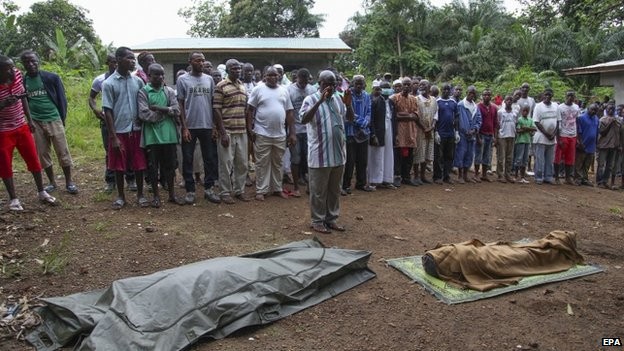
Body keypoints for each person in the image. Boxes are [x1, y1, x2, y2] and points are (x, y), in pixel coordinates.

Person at [300, 70, 354, 234]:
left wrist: (349, 105)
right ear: (319, 83)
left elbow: (350, 118)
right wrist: (319, 102)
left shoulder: (339, 98)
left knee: (334, 190)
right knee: (318, 191)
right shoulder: (310, 99)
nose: (329, 87)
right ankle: (317, 221)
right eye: (326, 84)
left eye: (332, 84)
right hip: (320, 155)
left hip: (338, 154)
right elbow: (303, 119)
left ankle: (331, 219)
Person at [0, 55, 56, 211]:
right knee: (5, 165)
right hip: (3, 131)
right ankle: (13, 199)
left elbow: (23, 97)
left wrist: (29, 120)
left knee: (33, 158)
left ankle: (41, 191)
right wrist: (3, 104)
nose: (13, 70)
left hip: (21, 125)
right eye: (8, 69)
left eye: (13, 67)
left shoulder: (17, 75)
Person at [20, 50, 78, 194]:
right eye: (27, 61)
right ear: (23, 64)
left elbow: (62, 99)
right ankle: (52, 182)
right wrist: (29, 120)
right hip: (36, 121)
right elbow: (24, 102)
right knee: (43, 153)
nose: (31, 64)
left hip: (53, 118)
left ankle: (69, 181)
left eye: (33, 61)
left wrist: (62, 118)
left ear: (38, 61)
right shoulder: (23, 81)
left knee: (62, 151)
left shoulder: (51, 77)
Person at [102, 46, 147, 209]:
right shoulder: (108, 83)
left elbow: (144, 105)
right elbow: (107, 110)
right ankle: (121, 196)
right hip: (119, 131)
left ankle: (141, 195)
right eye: (129, 58)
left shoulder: (138, 81)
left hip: (136, 130)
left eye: (133, 58)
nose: (132, 61)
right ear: (119, 59)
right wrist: (113, 136)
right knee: (119, 166)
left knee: (139, 164)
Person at [176, 51, 221, 204]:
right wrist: (184, 127)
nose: (201, 63)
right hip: (190, 126)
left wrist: (214, 125)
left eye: (203, 61)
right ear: (190, 62)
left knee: (209, 159)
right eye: (197, 60)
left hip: (207, 125)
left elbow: (213, 103)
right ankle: (190, 190)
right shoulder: (183, 80)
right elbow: (180, 104)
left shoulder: (209, 80)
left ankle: (209, 189)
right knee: (188, 158)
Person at [246, 66, 296, 201]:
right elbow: (250, 110)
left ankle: (277, 188)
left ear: (279, 76)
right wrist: (249, 129)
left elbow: (290, 112)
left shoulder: (284, 91)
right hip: (262, 132)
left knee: (278, 162)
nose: (273, 77)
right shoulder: (258, 89)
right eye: (270, 75)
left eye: (275, 75)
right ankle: (261, 190)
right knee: (262, 162)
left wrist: (292, 132)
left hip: (280, 133)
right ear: (264, 76)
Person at [89, 54, 136, 193]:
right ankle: (110, 180)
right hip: (108, 122)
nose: (115, 65)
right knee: (110, 151)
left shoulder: (132, 79)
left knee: (129, 151)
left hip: (126, 121)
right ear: (108, 63)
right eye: (112, 62)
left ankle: (130, 178)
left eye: (116, 62)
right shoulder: (101, 80)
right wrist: (96, 110)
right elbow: (91, 98)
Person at [137, 63, 182, 207]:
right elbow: (144, 114)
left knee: (170, 167)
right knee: (152, 167)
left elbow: (177, 110)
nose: (160, 77)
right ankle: (156, 196)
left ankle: (171, 195)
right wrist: (165, 114)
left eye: (162, 74)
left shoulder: (169, 91)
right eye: (157, 74)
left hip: (169, 135)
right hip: (152, 137)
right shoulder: (143, 92)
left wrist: (158, 108)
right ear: (149, 76)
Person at [212, 59, 250, 204]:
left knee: (242, 163)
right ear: (227, 70)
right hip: (227, 131)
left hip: (241, 131)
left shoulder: (242, 86)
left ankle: (239, 190)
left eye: (238, 68)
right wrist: (222, 132)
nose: (237, 70)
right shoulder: (221, 86)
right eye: (233, 68)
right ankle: (225, 192)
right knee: (226, 163)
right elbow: (216, 109)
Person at [287, 68, 317, 197]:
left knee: (309, 158)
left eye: (306, 81)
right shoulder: (289, 90)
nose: (304, 84)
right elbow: (289, 112)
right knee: (296, 158)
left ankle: (310, 186)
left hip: (309, 130)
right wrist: (291, 132)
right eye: (301, 81)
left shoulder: (312, 90)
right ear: (297, 78)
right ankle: (295, 187)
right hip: (295, 129)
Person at [343, 74, 372, 193]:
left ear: (364, 85)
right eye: (357, 83)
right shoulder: (347, 95)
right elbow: (348, 114)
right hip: (351, 133)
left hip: (364, 133)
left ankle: (361, 183)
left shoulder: (366, 95)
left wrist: (365, 123)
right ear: (352, 84)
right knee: (350, 161)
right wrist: (362, 123)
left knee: (362, 160)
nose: (359, 86)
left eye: (361, 83)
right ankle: (346, 185)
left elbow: (369, 111)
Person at [392, 77, 420, 186]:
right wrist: (409, 115)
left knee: (409, 156)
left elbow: (416, 116)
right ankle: (397, 176)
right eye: (405, 84)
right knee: (398, 155)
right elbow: (395, 116)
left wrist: (403, 115)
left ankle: (406, 177)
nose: (407, 86)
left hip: (410, 131)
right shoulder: (395, 98)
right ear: (401, 85)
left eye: (409, 84)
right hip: (399, 131)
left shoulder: (414, 99)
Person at [454, 86, 481, 184]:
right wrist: (461, 130)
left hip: (472, 135)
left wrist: (475, 129)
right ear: (466, 93)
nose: (471, 95)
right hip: (462, 134)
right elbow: (457, 119)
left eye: (473, 93)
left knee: (469, 155)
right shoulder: (460, 105)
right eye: (470, 93)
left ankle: (466, 175)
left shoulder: (475, 107)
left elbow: (479, 119)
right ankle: (460, 175)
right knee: (461, 153)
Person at [532, 88, 560, 185]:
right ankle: (539, 177)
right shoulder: (538, 106)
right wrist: (546, 133)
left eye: (549, 95)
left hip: (552, 138)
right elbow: (536, 121)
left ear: (552, 96)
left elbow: (558, 121)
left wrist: (553, 134)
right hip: (541, 137)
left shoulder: (556, 106)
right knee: (540, 159)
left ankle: (548, 177)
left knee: (550, 159)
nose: (548, 96)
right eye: (546, 95)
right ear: (543, 95)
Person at [433, 83, 458, 184]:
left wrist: (456, 132)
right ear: (441, 90)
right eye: (444, 89)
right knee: (439, 156)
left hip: (450, 133)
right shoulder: (437, 102)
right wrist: (436, 132)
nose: (446, 91)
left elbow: (456, 117)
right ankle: (437, 176)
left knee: (449, 156)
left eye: (448, 89)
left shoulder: (453, 102)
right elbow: (434, 118)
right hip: (440, 133)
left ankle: (446, 176)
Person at [414, 79, 437, 184]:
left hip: (430, 130)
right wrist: (424, 128)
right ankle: (416, 176)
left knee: (427, 152)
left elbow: (436, 115)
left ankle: (423, 176)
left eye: (424, 85)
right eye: (420, 85)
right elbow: (415, 116)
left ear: (429, 87)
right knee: (418, 153)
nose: (421, 86)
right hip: (419, 130)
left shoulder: (434, 100)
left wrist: (431, 127)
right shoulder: (416, 99)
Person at [555, 91, 580, 185]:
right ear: (566, 96)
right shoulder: (560, 107)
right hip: (563, 134)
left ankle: (568, 178)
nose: (570, 97)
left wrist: (577, 137)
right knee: (558, 157)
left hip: (573, 135)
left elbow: (576, 122)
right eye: (569, 95)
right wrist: (558, 138)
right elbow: (558, 122)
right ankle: (557, 177)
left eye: (572, 96)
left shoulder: (576, 107)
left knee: (570, 157)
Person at [474, 89, 498, 182]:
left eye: (488, 95)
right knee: (478, 155)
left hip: (490, 135)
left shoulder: (494, 108)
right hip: (481, 134)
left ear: (491, 96)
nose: (486, 96)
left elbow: (495, 123)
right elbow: (476, 122)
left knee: (487, 156)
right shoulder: (478, 107)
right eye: (485, 95)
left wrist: (495, 136)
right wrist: (478, 136)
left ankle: (484, 175)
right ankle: (476, 174)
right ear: (482, 96)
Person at [596, 103, 620, 189]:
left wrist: (618, 145)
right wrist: (610, 123)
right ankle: (599, 181)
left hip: (613, 146)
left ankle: (605, 181)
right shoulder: (602, 120)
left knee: (609, 166)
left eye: (613, 109)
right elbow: (602, 132)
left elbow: (618, 134)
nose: (611, 110)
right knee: (601, 164)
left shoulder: (617, 120)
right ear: (606, 110)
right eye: (609, 109)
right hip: (603, 145)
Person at [575, 104, 599, 186]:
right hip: (583, 144)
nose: (594, 111)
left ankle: (584, 178)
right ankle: (577, 178)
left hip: (591, 145)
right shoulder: (581, 118)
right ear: (588, 108)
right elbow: (579, 131)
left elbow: (597, 131)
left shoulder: (596, 118)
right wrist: (580, 142)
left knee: (587, 164)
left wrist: (596, 143)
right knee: (579, 162)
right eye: (592, 109)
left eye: (595, 110)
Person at [496, 95, 517, 183]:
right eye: (507, 100)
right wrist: (497, 136)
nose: (509, 101)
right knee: (501, 157)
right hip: (502, 136)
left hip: (511, 136)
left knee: (509, 157)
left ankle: (507, 174)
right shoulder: (500, 112)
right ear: (505, 101)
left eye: (510, 100)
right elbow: (497, 125)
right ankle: (500, 175)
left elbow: (515, 124)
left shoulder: (514, 113)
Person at [514, 106, 536, 184]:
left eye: (527, 111)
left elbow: (534, 129)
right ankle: (516, 176)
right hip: (520, 141)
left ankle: (522, 176)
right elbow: (518, 130)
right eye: (524, 111)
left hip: (527, 141)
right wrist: (529, 129)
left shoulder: (530, 120)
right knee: (519, 158)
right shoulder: (519, 119)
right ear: (522, 111)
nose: (525, 112)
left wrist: (525, 128)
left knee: (525, 159)